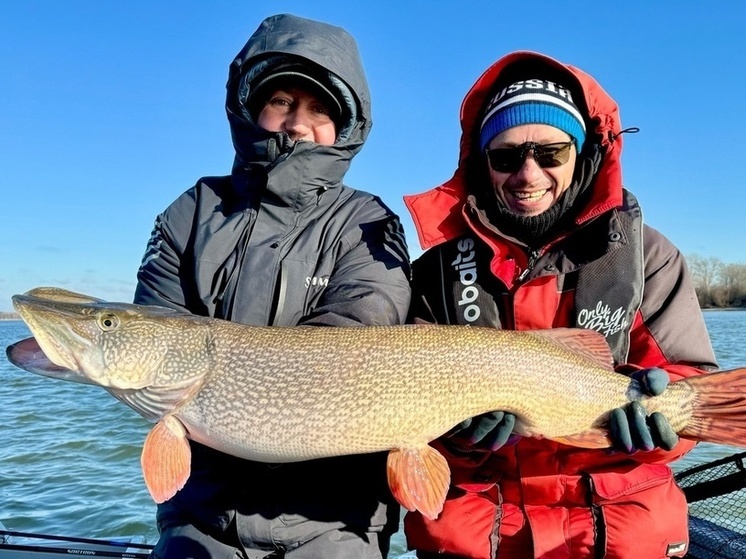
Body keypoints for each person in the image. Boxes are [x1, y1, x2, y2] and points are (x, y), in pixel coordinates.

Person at [402, 51, 717, 559]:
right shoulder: (435, 271)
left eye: (550, 154)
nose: (528, 174)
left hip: (619, 533)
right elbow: (405, 415)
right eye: (506, 157)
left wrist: (663, 429)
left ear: (582, 153)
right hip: (482, 535)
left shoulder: (647, 256)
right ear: (483, 162)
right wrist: (459, 442)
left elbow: (692, 388)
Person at [133, 13, 411, 559]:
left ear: (346, 126)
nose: (297, 124)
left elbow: (358, 334)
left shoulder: (368, 222)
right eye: (282, 101)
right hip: (202, 516)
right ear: (251, 108)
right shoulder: (190, 213)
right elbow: (158, 327)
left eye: (319, 109)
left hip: (335, 522)